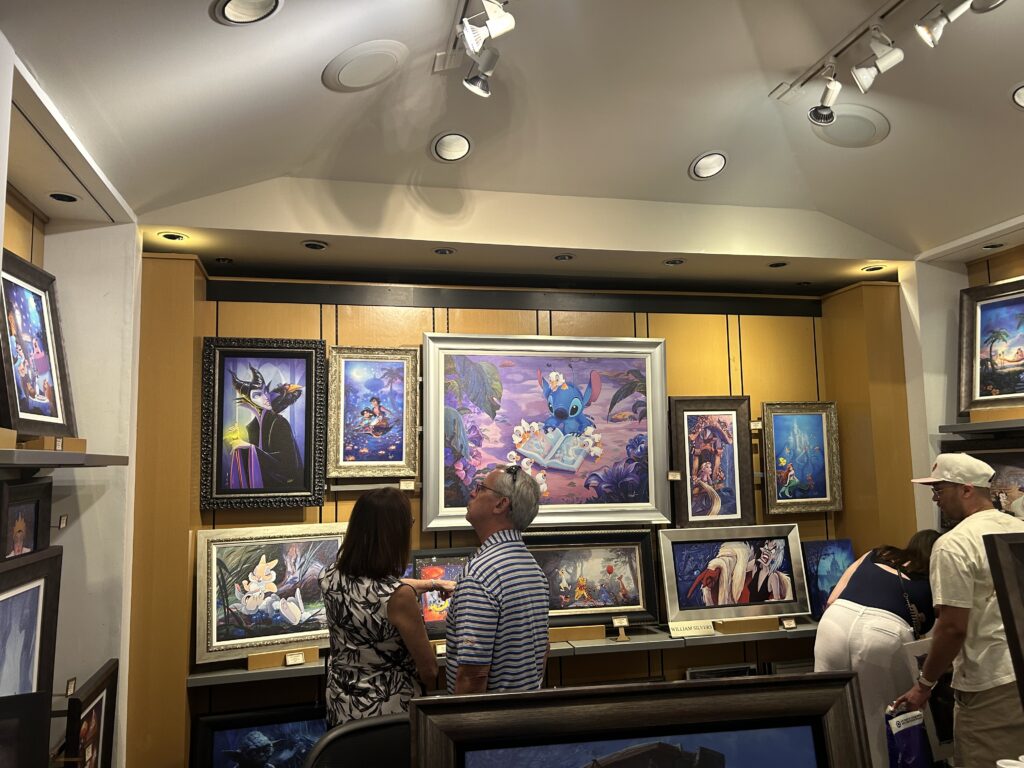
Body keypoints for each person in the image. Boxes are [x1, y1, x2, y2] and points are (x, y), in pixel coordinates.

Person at [894, 453, 1024, 768]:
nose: (935, 498)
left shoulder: (954, 544)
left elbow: (953, 627)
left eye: (939, 489)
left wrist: (924, 684)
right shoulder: (1018, 528)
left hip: (989, 683)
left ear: (967, 490)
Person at [319, 488, 452, 726]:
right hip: (388, 716)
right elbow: (430, 670)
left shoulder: (329, 576)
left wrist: (432, 584)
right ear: (395, 534)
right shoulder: (400, 599)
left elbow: (375, 588)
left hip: (342, 708)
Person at [813, 528, 940, 768]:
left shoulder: (877, 553)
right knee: (882, 723)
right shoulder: (931, 581)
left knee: (830, 714)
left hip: (835, 621)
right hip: (884, 632)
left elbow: (831, 600)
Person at [445, 465, 550, 694]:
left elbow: (473, 675)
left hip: (488, 715)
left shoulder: (481, 575)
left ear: (501, 504)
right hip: (522, 711)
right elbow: (543, 652)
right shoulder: (534, 569)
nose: (472, 492)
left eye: (480, 488)